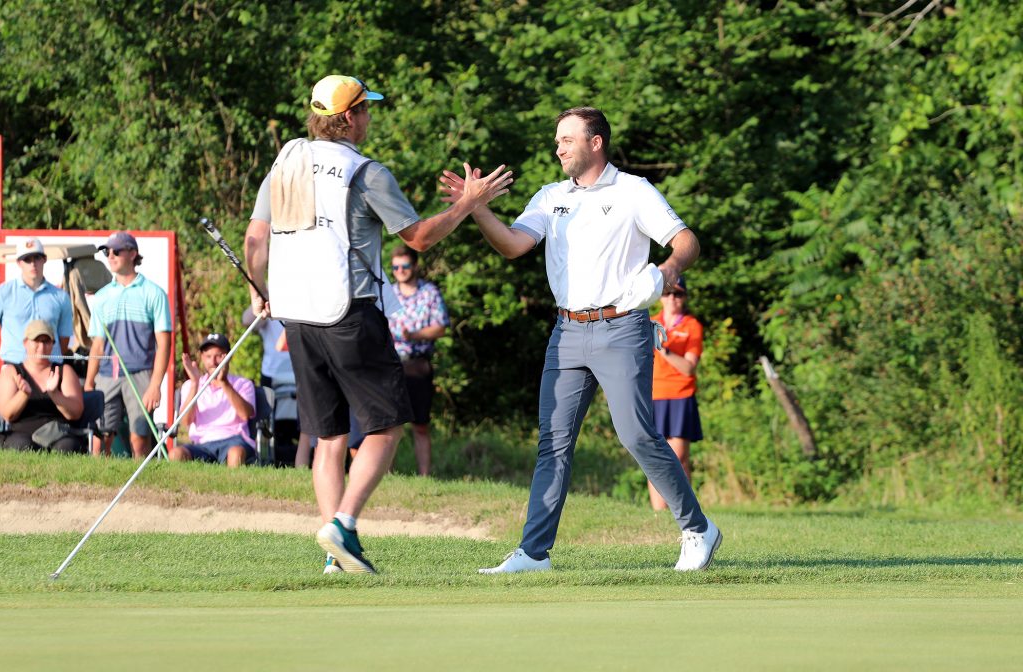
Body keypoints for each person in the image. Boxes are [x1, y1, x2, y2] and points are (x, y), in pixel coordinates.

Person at [245, 74, 513, 574]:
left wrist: (258, 291)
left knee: (327, 438)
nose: (369, 117)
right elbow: (419, 239)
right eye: (365, 109)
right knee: (388, 426)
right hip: (350, 313)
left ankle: (334, 557)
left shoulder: (285, 162)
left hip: (296, 318)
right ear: (348, 117)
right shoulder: (365, 172)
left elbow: (255, 241)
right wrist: (468, 203)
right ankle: (343, 525)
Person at [442, 106, 722, 573]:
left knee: (635, 435)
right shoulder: (551, 197)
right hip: (567, 331)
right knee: (553, 442)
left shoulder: (633, 190)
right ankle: (534, 553)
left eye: (567, 139)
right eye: (557, 139)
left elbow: (686, 241)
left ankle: (698, 530)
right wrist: (476, 207)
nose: (558, 147)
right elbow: (513, 245)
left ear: (596, 143)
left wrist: (667, 270)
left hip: (622, 327)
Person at [84, 232, 171, 459]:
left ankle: (141, 489)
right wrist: (90, 382)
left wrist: (155, 384)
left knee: (139, 438)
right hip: (106, 374)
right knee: (99, 439)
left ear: (133, 254)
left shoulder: (154, 293)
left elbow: (164, 344)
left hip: (140, 373)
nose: (110, 256)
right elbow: (97, 345)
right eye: (107, 252)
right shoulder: (102, 297)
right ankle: (98, 488)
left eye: (116, 251)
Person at [388, 245, 449, 476]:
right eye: (395, 267)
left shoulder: (429, 292)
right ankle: (387, 475)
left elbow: (441, 327)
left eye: (404, 266)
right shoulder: (388, 293)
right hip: (392, 363)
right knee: (390, 423)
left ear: (414, 266)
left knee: (420, 424)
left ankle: (424, 475)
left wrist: (415, 335)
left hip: (418, 363)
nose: (400, 270)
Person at [648, 276, 704, 509]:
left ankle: (683, 510)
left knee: (678, 458)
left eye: (678, 293)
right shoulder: (649, 322)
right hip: (653, 395)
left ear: (685, 298)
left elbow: (689, 367)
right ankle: (658, 513)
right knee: (653, 458)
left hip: (681, 395)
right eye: (668, 293)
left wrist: (664, 349)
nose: (672, 298)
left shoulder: (691, 326)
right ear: (660, 297)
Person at [169, 332, 256, 468]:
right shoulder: (191, 385)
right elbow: (186, 421)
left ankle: (231, 489)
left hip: (234, 440)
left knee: (236, 453)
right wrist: (195, 384)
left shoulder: (243, 384)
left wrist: (224, 383)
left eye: (219, 356)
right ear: (202, 358)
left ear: (229, 356)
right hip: (201, 444)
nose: (213, 362)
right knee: (176, 454)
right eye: (208, 356)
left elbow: (245, 414)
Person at [242, 307, 313, 467]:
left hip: (305, 370)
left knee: (307, 427)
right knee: (274, 426)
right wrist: (265, 296)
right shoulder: (270, 294)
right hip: (273, 374)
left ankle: (305, 463)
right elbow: (247, 321)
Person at [0, 320, 84, 453]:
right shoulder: (11, 372)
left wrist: (55, 395)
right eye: (36, 341)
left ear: (52, 344)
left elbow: (76, 413)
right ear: (25, 343)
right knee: (23, 446)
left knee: (66, 447)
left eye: (46, 341)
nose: (41, 346)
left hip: (58, 435)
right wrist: (23, 394)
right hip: (21, 435)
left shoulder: (64, 371)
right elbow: (8, 414)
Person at [0, 238, 73, 364]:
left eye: (37, 258)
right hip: (14, 367)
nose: (33, 264)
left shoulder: (61, 297)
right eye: (27, 259)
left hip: (50, 367)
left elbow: (64, 339)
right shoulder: (2, 292)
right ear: (19, 263)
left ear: (44, 259)